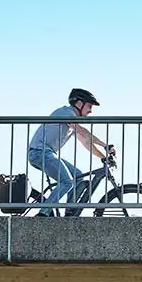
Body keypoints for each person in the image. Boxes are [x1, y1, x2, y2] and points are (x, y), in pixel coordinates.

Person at [27, 88, 111, 216]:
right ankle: (43, 214)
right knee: (67, 182)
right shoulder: (66, 112)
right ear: (79, 104)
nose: (90, 111)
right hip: (39, 152)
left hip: (47, 153)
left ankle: (69, 213)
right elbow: (83, 132)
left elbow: (86, 142)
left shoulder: (72, 121)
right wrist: (105, 145)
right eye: (89, 106)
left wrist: (102, 157)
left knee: (78, 176)